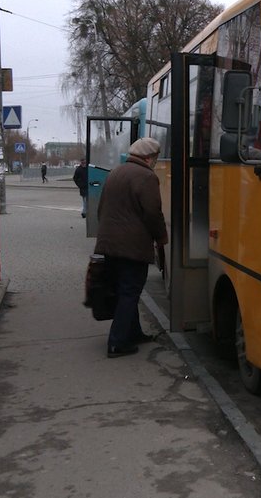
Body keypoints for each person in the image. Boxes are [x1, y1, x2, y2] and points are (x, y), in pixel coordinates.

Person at [93, 137, 168, 358]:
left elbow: (101, 207)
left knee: (126, 291)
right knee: (129, 292)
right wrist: (161, 237)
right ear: (148, 157)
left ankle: (133, 333)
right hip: (131, 247)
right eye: (155, 158)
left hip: (109, 244)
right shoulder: (146, 177)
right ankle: (117, 343)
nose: (155, 162)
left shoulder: (116, 172)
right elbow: (153, 213)